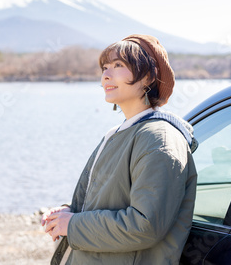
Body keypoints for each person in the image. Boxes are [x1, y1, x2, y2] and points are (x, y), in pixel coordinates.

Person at [41, 34, 198, 265]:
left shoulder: (159, 139)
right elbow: (107, 202)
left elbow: (145, 225)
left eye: (118, 65)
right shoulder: (119, 133)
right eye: (105, 67)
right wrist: (66, 215)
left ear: (148, 76)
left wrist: (73, 225)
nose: (106, 74)